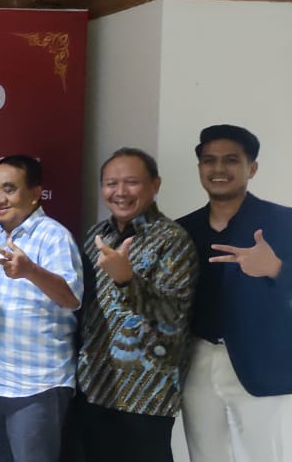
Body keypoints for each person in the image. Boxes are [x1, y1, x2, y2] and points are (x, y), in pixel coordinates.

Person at [177, 125, 292, 462]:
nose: (218, 168)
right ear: (200, 169)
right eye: (209, 160)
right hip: (197, 360)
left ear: (251, 168)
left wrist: (276, 268)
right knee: (204, 454)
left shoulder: (283, 222)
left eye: (231, 160)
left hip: (262, 364)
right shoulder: (183, 230)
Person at [75, 148, 197, 462]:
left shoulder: (173, 239)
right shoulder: (95, 235)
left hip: (145, 394)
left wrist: (126, 280)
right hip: (94, 385)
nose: (120, 192)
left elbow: (173, 313)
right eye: (111, 183)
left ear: (155, 185)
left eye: (131, 182)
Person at [0, 154, 82, 462]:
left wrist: (31, 271)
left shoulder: (53, 235)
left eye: (9, 189)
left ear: (35, 194)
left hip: (37, 385)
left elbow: (72, 299)